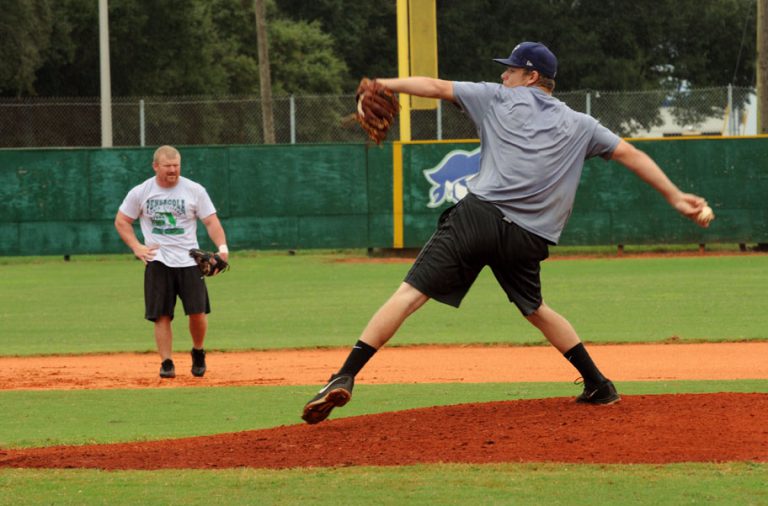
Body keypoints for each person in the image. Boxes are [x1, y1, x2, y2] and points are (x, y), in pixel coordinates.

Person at [301, 41, 712, 424]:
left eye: (511, 70)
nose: (503, 77)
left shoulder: (496, 98)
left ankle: (344, 376)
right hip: (529, 237)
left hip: (480, 216)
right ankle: (599, 385)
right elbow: (630, 154)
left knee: (410, 295)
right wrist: (675, 196)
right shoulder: (582, 124)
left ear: (531, 77)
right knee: (535, 309)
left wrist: (381, 84)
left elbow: (433, 85)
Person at [115, 145, 229, 379]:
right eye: (168, 166)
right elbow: (122, 221)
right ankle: (166, 362)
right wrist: (137, 247)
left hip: (189, 261)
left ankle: (198, 351)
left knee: (197, 312)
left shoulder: (194, 190)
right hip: (157, 260)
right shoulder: (141, 191)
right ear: (156, 166)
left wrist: (223, 249)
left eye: (176, 165)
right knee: (162, 315)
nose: (173, 170)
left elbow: (211, 222)